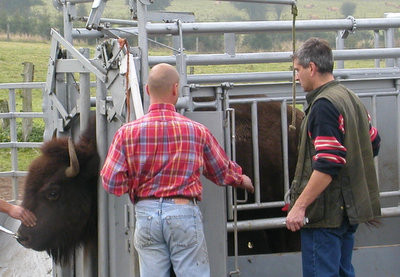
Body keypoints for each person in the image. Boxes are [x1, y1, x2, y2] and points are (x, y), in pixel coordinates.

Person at [101, 63, 254, 277]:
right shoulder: (197, 131)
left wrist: (134, 184)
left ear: (147, 90)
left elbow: (110, 182)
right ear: (175, 89)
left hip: (146, 215)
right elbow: (221, 171)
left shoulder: (126, 133)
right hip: (183, 212)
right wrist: (241, 179)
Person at [286, 37, 381, 277]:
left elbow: (328, 162)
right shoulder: (351, 98)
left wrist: (299, 206)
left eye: (297, 70)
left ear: (312, 68)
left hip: (326, 216)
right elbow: (373, 143)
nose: (296, 77)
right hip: (348, 213)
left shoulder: (323, 106)